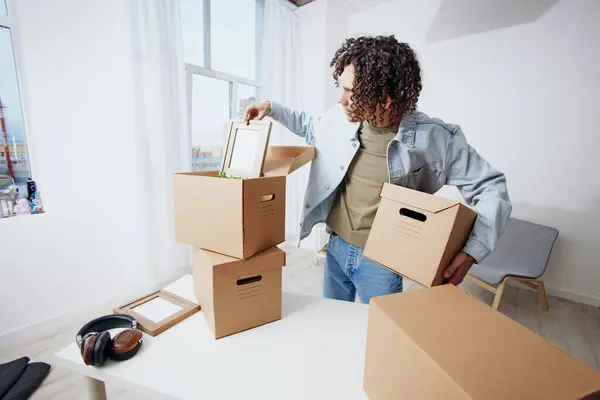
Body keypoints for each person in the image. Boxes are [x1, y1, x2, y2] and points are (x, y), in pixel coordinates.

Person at [243, 35, 512, 304]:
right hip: (335, 245)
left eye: (351, 92)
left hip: (381, 262)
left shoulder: (436, 139)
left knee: (376, 333)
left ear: (384, 99)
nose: (341, 100)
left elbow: (491, 186)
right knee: (333, 324)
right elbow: (311, 126)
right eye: (342, 87)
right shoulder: (342, 118)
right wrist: (272, 109)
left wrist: (473, 250)